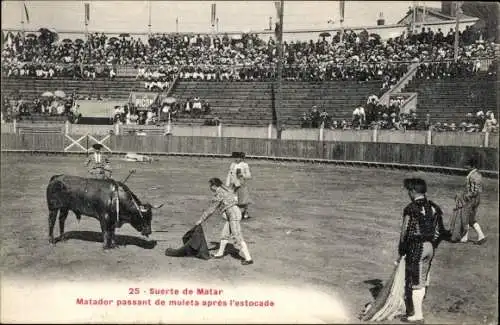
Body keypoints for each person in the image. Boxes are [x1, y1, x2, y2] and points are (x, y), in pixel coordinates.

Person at [398, 178, 447, 323]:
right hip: (430, 247)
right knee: (423, 279)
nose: (408, 193)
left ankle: (417, 315)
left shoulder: (411, 208)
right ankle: (416, 310)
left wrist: (401, 251)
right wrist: (432, 244)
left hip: (416, 248)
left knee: (416, 281)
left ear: (413, 192)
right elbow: (440, 231)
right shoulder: (434, 207)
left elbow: (404, 233)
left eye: (409, 191)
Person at [195, 178, 254, 266]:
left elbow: (211, 210)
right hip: (233, 214)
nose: (210, 188)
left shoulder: (219, 193)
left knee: (237, 236)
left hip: (233, 215)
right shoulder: (225, 189)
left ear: (214, 186)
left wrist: (201, 220)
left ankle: (248, 258)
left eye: (211, 186)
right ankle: (220, 253)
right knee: (224, 235)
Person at [455, 156, 486, 244]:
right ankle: (480, 236)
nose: (465, 168)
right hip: (476, 199)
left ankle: (466, 237)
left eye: (467, 166)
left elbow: (474, 191)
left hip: (471, 199)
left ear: (471, 166)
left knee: (466, 218)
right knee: (470, 219)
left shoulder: (472, 175)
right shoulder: (477, 174)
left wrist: (464, 196)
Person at [225, 152, 252, 219]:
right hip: (233, 184)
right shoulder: (232, 164)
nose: (237, 159)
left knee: (243, 199)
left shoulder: (244, 165)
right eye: (235, 157)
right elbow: (229, 174)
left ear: (241, 158)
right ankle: (235, 213)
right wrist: (227, 183)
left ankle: (245, 212)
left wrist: (242, 175)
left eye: (238, 157)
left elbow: (249, 176)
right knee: (233, 199)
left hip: (241, 184)